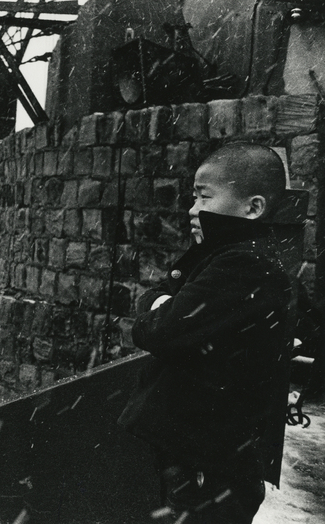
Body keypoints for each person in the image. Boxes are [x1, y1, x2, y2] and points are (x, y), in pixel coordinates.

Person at [118, 143, 293, 523]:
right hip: (202, 457)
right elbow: (162, 303)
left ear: (253, 207)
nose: (192, 210)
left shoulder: (242, 264)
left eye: (204, 198)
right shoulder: (230, 255)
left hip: (208, 465)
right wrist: (162, 304)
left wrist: (160, 306)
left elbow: (159, 331)